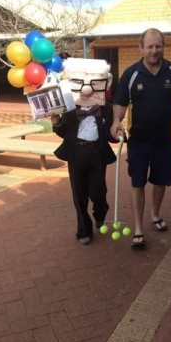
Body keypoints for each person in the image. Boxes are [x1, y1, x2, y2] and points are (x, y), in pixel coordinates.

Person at [111, 28, 171, 248]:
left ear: (163, 47)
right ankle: (139, 228)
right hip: (138, 142)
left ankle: (155, 214)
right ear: (141, 48)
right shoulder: (131, 74)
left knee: (160, 181)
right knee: (137, 183)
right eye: (149, 46)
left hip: (164, 141)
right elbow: (120, 104)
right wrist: (116, 122)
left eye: (158, 46)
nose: (154, 50)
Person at [51, 58, 117, 245]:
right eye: (80, 83)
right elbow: (64, 132)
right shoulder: (70, 108)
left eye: (94, 83)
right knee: (78, 194)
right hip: (76, 153)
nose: (86, 89)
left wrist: (118, 132)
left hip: (97, 153)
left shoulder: (108, 109)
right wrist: (57, 122)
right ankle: (83, 230)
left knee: (99, 192)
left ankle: (100, 212)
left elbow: (110, 135)